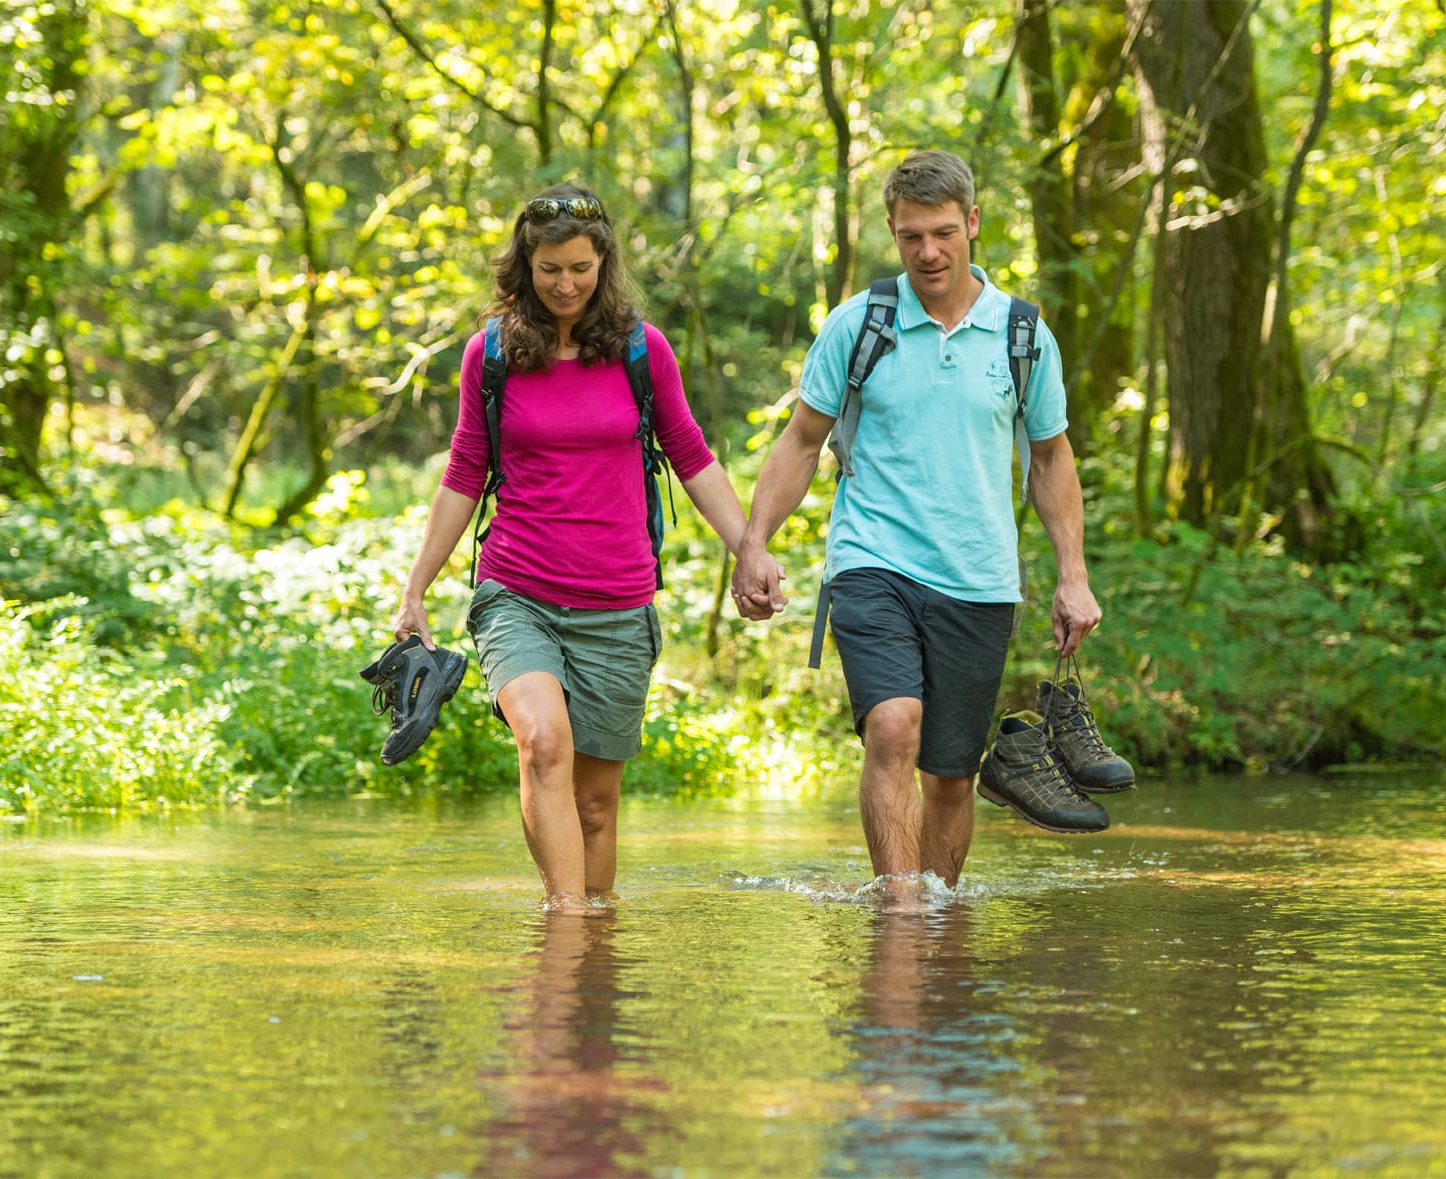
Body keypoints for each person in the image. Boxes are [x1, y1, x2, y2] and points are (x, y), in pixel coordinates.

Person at [730, 150, 1106, 902]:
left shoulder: (1023, 334)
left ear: (972, 223)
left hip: (979, 576)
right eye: (910, 237)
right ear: (893, 233)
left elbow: (1050, 457)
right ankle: (901, 911)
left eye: (941, 233)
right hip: (874, 561)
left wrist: (1073, 576)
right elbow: (803, 440)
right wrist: (753, 544)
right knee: (894, 724)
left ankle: (936, 926)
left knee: (950, 776)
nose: (928, 252)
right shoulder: (860, 325)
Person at [390, 182, 750, 914]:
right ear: (526, 265)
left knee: (594, 805)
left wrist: (749, 547)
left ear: (603, 262)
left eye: (580, 268)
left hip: (617, 602)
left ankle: (589, 975)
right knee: (544, 743)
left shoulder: (642, 350)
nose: (565, 284)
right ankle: (567, 929)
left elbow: (688, 450)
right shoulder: (489, 354)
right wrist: (416, 587)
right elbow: (465, 470)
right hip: (516, 591)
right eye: (549, 268)